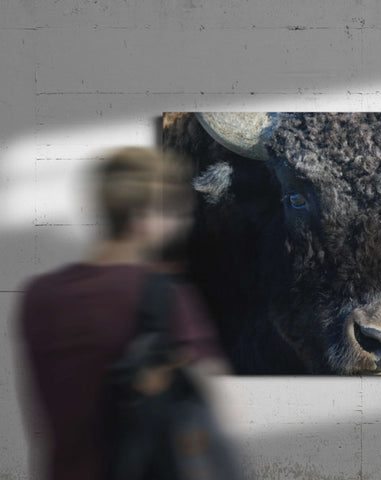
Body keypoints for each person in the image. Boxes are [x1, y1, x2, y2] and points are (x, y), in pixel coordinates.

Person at [16, 147, 227, 480]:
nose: (185, 223)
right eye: (175, 213)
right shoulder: (166, 296)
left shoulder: (39, 294)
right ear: (141, 218)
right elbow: (210, 416)